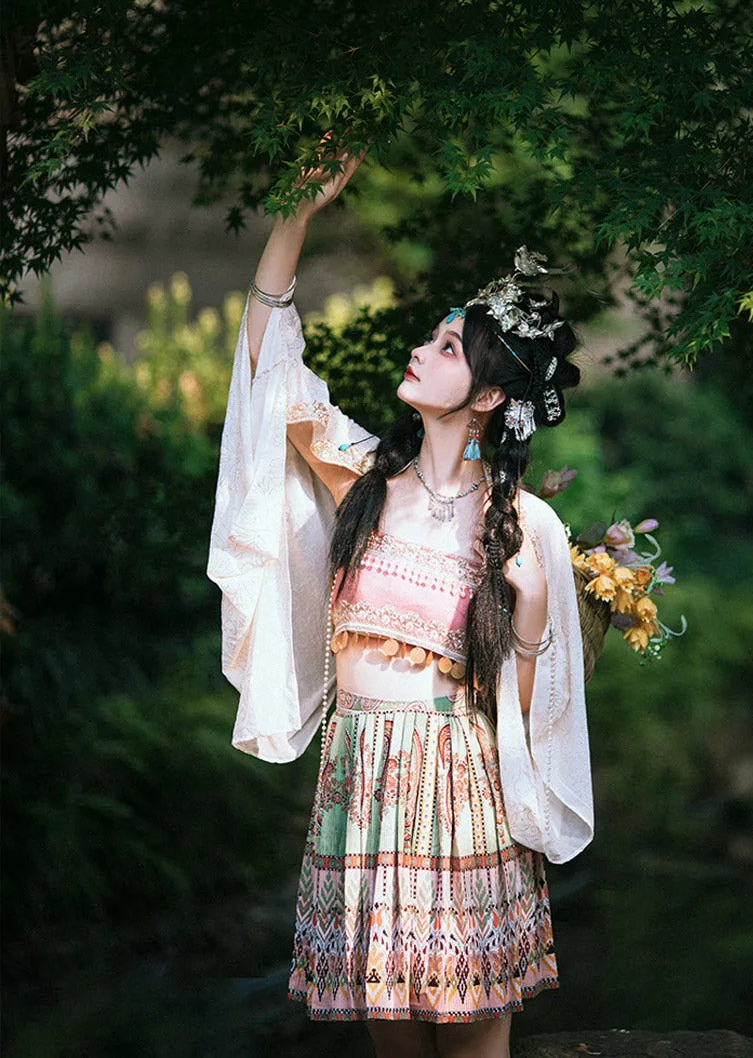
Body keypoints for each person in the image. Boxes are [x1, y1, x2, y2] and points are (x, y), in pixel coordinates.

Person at [207, 145, 592, 1058]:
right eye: (432, 336)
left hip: (460, 791)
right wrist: (293, 220)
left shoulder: (524, 525)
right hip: (360, 784)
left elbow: (539, 722)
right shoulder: (362, 480)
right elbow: (268, 372)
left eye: (448, 347)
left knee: (470, 1051)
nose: (422, 349)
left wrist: (532, 620)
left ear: (490, 394)